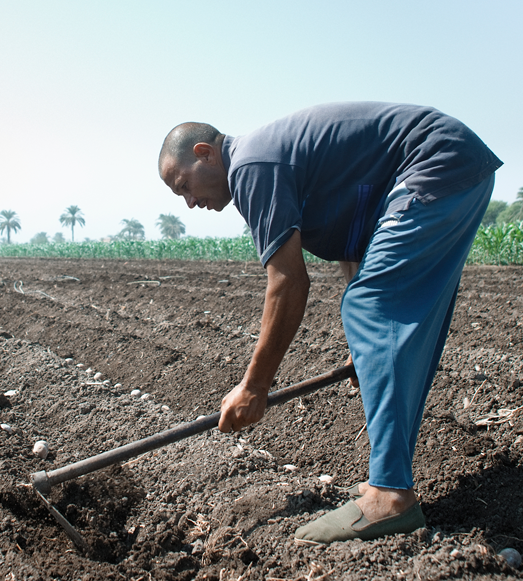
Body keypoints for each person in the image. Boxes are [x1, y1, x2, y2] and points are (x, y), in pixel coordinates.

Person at [158, 102, 501, 544]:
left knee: (369, 304)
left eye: (183, 185)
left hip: (435, 162)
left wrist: (255, 386)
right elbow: (355, 244)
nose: (189, 203)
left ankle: (390, 495)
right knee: (376, 310)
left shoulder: (251, 167)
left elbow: (288, 282)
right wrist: (369, 351)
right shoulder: (266, 164)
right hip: (454, 162)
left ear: (205, 152)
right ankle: (390, 480)